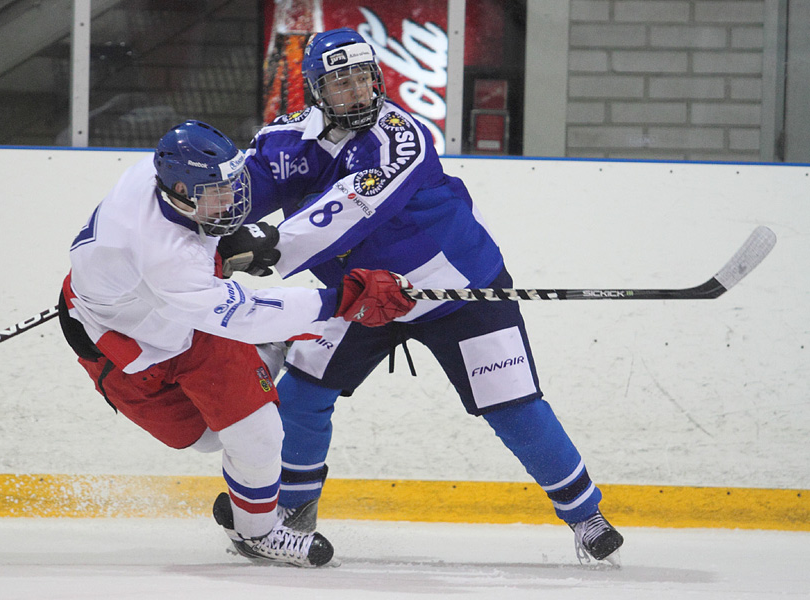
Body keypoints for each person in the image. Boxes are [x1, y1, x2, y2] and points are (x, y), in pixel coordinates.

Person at [231, 28, 625, 565]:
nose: (356, 91)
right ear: (316, 90)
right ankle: (295, 517)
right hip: (360, 297)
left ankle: (587, 517)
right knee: (302, 395)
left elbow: (351, 205)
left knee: (513, 406)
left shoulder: (403, 136)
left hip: (460, 293)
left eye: (363, 78)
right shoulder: (287, 141)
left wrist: (269, 246)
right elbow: (242, 194)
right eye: (339, 82)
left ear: (378, 79)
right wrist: (208, 233)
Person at [58, 120, 416, 568]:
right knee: (205, 439)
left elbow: (201, 279)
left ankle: (258, 534)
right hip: (123, 344)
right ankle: (273, 348)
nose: (229, 200)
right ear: (182, 191)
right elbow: (238, 312)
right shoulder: (165, 256)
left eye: (230, 184)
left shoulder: (154, 182)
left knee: (257, 432)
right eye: (215, 192)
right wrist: (341, 299)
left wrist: (225, 245)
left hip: (180, 323)